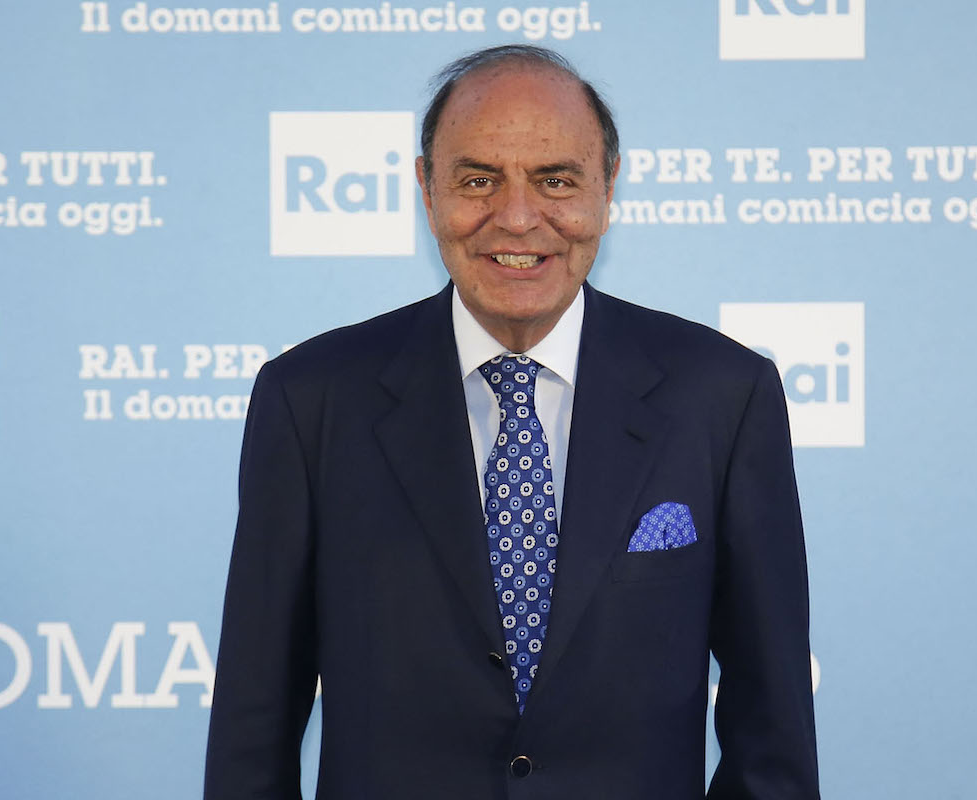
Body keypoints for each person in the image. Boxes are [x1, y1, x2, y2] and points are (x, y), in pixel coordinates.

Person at [204, 44, 820, 799]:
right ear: (427, 189)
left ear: (607, 189)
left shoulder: (723, 395)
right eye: (478, 181)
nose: (519, 218)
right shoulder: (310, 400)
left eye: (556, 180)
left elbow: (773, 732)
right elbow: (253, 728)